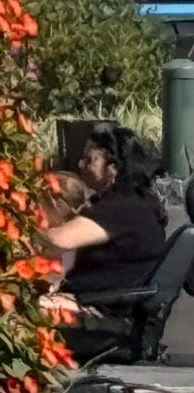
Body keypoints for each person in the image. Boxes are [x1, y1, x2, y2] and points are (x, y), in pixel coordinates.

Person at [45, 124, 169, 356]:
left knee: (12, 313)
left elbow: (58, 240)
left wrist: (12, 230)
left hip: (104, 320)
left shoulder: (121, 209)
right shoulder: (137, 203)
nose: (81, 165)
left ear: (113, 167)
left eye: (90, 159)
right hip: (106, 310)